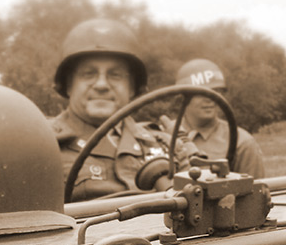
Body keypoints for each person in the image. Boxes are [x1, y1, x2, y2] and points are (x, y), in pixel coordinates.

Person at [50, 18, 195, 201]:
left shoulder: (168, 146)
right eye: (89, 74)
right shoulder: (43, 145)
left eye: (115, 75)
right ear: (69, 84)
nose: (101, 84)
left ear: (132, 87)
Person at [173, 59, 265, 177]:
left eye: (216, 92)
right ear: (183, 96)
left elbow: (255, 191)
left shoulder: (241, 142)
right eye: (201, 93)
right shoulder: (163, 136)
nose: (210, 99)